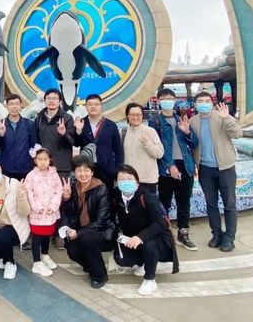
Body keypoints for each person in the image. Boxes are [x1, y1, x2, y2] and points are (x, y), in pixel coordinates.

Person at [113, 165, 179, 296]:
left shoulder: (146, 196)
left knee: (149, 245)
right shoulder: (116, 196)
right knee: (120, 258)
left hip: (156, 237)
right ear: (117, 182)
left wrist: (140, 237)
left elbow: (160, 223)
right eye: (121, 179)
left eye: (129, 178)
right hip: (132, 237)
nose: (126, 182)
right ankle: (144, 263)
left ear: (137, 181)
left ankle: (150, 279)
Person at [190, 93, 243, 252]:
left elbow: (237, 134)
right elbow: (191, 143)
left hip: (225, 167)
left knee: (229, 204)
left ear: (212, 103)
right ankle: (216, 234)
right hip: (205, 168)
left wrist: (227, 118)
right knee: (211, 204)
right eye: (200, 101)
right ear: (195, 104)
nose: (204, 103)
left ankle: (229, 237)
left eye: (207, 101)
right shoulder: (193, 121)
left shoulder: (222, 116)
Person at [150, 88, 199, 251]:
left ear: (174, 100)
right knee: (164, 202)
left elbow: (194, 143)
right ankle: (163, 233)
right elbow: (158, 147)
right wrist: (169, 165)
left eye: (170, 98)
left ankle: (183, 234)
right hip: (166, 168)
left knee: (184, 201)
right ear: (159, 101)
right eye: (164, 98)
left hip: (185, 165)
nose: (167, 101)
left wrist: (187, 132)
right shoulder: (155, 121)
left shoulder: (182, 119)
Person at [60, 154, 116, 288]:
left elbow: (102, 221)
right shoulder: (75, 187)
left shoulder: (101, 189)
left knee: (87, 237)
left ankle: (100, 275)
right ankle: (91, 266)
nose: (83, 174)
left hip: (103, 232)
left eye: (86, 170)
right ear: (75, 172)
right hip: (83, 231)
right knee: (72, 249)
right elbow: (70, 214)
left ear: (92, 172)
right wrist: (66, 198)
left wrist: (79, 233)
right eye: (79, 170)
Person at [34, 88, 75, 249]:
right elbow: (36, 141)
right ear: (45, 100)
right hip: (43, 166)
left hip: (62, 165)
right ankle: (45, 231)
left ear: (60, 101)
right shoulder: (39, 118)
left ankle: (60, 234)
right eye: (49, 98)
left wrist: (64, 134)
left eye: (55, 98)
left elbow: (73, 142)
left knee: (61, 200)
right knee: (43, 198)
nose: (51, 101)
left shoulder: (67, 118)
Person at [24, 147, 62, 277]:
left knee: (47, 234)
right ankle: (37, 262)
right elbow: (29, 193)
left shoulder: (54, 174)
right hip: (38, 212)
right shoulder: (31, 175)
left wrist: (53, 206)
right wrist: (38, 207)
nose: (42, 162)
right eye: (39, 159)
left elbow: (58, 191)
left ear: (49, 160)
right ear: (35, 160)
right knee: (37, 236)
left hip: (50, 211)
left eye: (45, 159)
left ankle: (45, 255)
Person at [75, 94, 124, 189]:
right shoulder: (80, 123)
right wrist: (78, 131)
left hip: (107, 169)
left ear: (101, 106)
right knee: (87, 195)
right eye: (90, 104)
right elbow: (76, 144)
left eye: (96, 104)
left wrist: (117, 170)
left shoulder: (111, 125)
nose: (93, 107)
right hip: (86, 169)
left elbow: (118, 150)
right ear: (86, 107)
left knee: (107, 195)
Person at [0, 94, 37, 181]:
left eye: (17, 104)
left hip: (25, 168)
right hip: (7, 168)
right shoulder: (0, 124)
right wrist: (1, 135)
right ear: (6, 106)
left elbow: (34, 146)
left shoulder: (29, 124)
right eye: (11, 104)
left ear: (21, 106)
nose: (14, 107)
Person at [123, 103, 164, 194]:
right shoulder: (124, 132)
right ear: (127, 116)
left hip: (147, 180)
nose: (135, 117)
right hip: (128, 180)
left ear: (142, 116)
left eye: (138, 115)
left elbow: (159, 153)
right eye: (132, 115)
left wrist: (147, 144)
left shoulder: (150, 131)